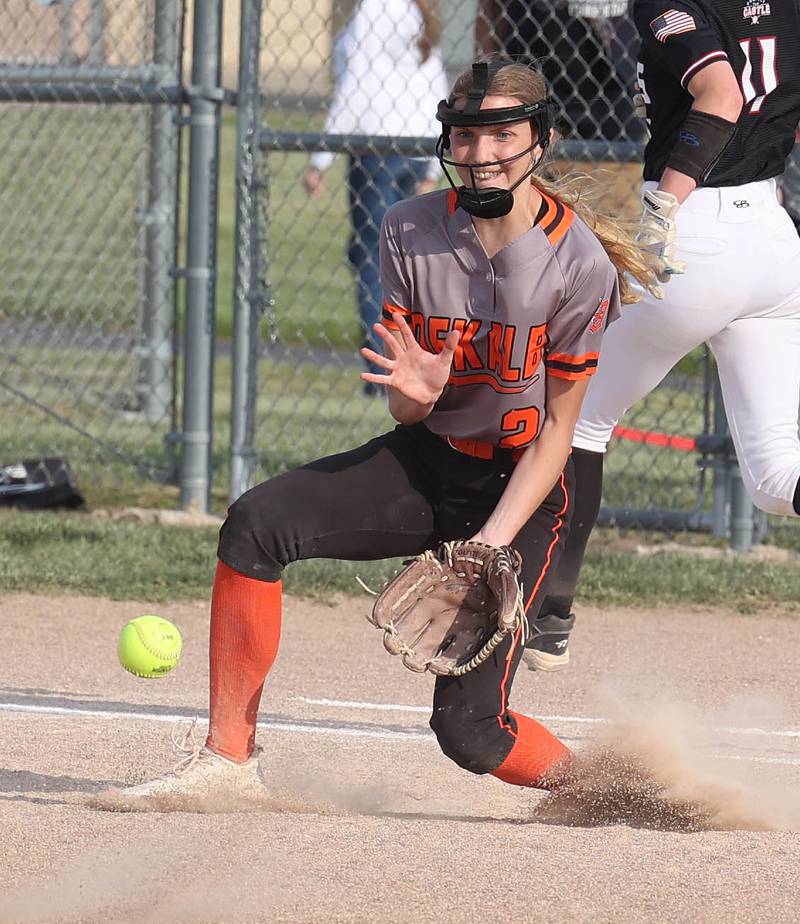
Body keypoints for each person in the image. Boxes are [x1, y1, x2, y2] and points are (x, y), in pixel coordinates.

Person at [109, 60, 658, 807]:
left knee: (471, 734)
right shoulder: (409, 227)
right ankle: (228, 762)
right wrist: (417, 397)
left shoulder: (578, 263)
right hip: (429, 460)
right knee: (256, 525)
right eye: (465, 134)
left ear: (542, 140)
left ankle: (605, 790)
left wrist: (489, 544)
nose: (481, 151)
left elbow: (561, 432)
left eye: (503, 132)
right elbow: (408, 411)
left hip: (521, 493)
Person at [528, 0, 800, 673]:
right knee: (775, 478)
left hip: (697, 231)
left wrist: (664, 206)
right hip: (773, 236)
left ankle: (548, 612)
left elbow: (721, 93)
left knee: (578, 415)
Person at [303, 0, 449, 392]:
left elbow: (355, 87)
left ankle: (384, 372)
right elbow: (436, 86)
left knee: (371, 256)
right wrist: (433, 166)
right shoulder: (421, 10)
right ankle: (410, 360)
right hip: (416, 147)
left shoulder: (376, 9)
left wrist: (321, 159)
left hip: (377, 148)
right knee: (408, 261)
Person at [475, 0, 644, 141]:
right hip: (537, 76)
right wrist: (485, 79)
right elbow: (489, 7)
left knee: (616, 170)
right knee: (535, 171)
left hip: (618, 82)